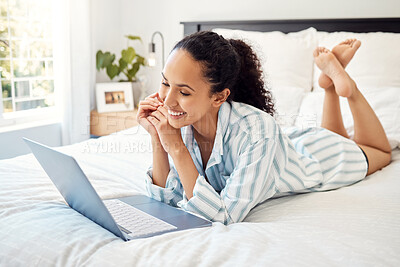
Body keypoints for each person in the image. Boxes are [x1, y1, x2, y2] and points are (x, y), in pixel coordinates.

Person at [136, 31, 391, 225]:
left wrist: (177, 149)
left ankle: (348, 88)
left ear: (219, 97)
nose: (168, 100)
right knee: (336, 134)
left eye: (184, 91)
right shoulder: (185, 120)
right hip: (296, 143)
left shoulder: (258, 131)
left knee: (379, 150)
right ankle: (328, 85)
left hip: (321, 159)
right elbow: (166, 201)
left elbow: (224, 215)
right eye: (165, 83)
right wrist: (159, 140)